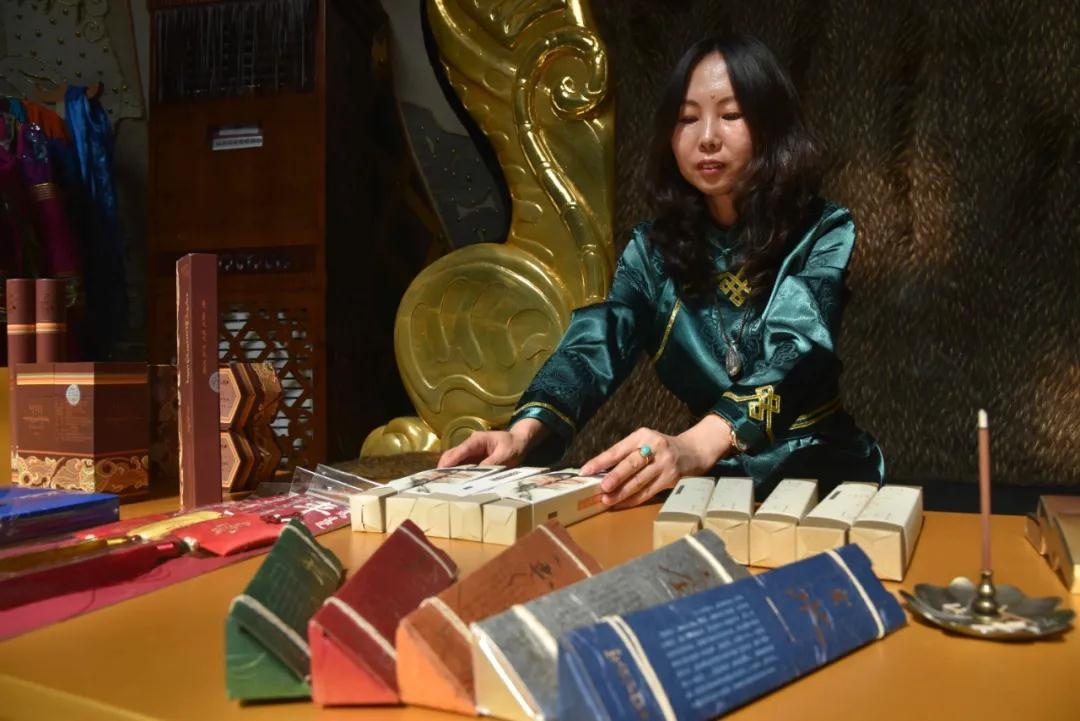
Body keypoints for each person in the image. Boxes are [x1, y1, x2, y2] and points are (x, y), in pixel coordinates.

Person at [439, 33, 883, 508]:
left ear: (771, 124)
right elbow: (599, 342)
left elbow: (799, 350)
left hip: (821, 473)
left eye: (731, 115)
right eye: (687, 119)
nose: (707, 137)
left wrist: (694, 445)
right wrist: (523, 432)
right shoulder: (652, 249)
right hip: (710, 481)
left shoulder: (822, 229)